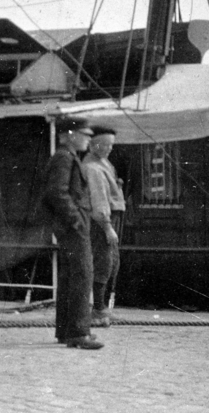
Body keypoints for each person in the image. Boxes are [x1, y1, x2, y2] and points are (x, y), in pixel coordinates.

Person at [42, 117, 102, 350]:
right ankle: (78, 332)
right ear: (69, 135)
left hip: (70, 226)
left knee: (70, 277)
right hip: (73, 227)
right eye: (84, 135)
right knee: (82, 275)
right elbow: (56, 192)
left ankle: (66, 331)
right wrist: (76, 220)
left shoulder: (66, 156)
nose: (88, 139)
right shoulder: (64, 158)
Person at [84, 127, 122, 315]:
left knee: (112, 262)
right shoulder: (93, 168)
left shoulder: (104, 163)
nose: (108, 148)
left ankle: (102, 306)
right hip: (101, 220)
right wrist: (107, 227)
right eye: (104, 144)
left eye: (111, 145)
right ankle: (98, 307)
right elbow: (98, 200)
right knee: (104, 262)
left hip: (110, 218)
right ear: (92, 144)